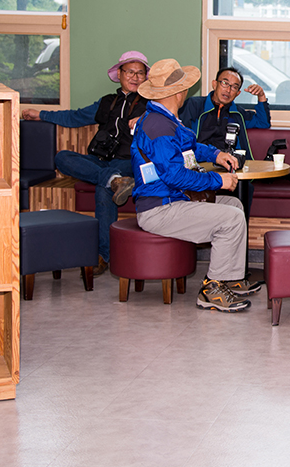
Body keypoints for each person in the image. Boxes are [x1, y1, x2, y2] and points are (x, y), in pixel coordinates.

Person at [130, 58, 262, 313]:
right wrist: (218, 180)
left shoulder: (167, 119)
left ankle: (229, 278)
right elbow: (174, 176)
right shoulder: (158, 126)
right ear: (179, 91)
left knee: (234, 205)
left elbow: (190, 145)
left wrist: (216, 154)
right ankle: (211, 290)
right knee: (232, 218)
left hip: (175, 199)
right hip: (160, 208)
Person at [21, 50, 148, 273]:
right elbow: (75, 117)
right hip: (98, 160)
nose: (135, 77)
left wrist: (147, 117)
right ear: (119, 74)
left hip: (128, 162)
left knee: (103, 188)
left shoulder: (151, 104)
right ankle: (114, 181)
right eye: (130, 72)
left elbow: (170, 122)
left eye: (140, 73)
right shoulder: (107, 102)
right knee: (62, 157)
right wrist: (41, 114)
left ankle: (103, 255)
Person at [179, 65, 272, 154]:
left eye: (234, 87)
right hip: (201, 160)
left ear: (238, 93)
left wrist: (261, 96)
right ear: (214, 84)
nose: (228, 90)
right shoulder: (194, 105)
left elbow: (263, 123)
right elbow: (181, 134)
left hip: (230, 161)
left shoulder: (238, 114)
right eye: (224, 83)